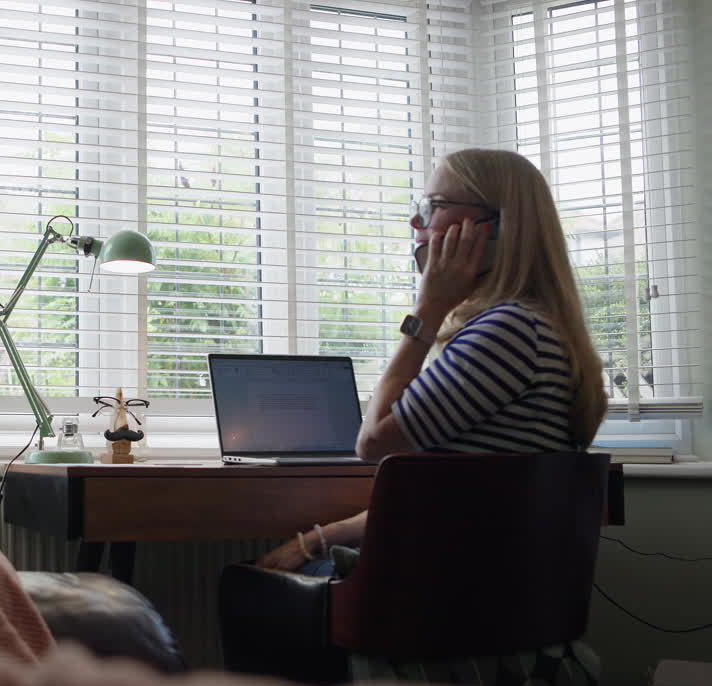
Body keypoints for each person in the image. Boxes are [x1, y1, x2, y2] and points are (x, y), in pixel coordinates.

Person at [257, 148, 607, 574]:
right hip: (476, 575)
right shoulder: (528, 328)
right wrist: (315, 540)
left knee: (245, 584)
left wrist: (427, 311)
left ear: (494, 227)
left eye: (433, 207)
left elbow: (372, 443)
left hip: (449, 590)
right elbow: (452, 497)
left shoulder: (508, 332)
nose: (415, 222)